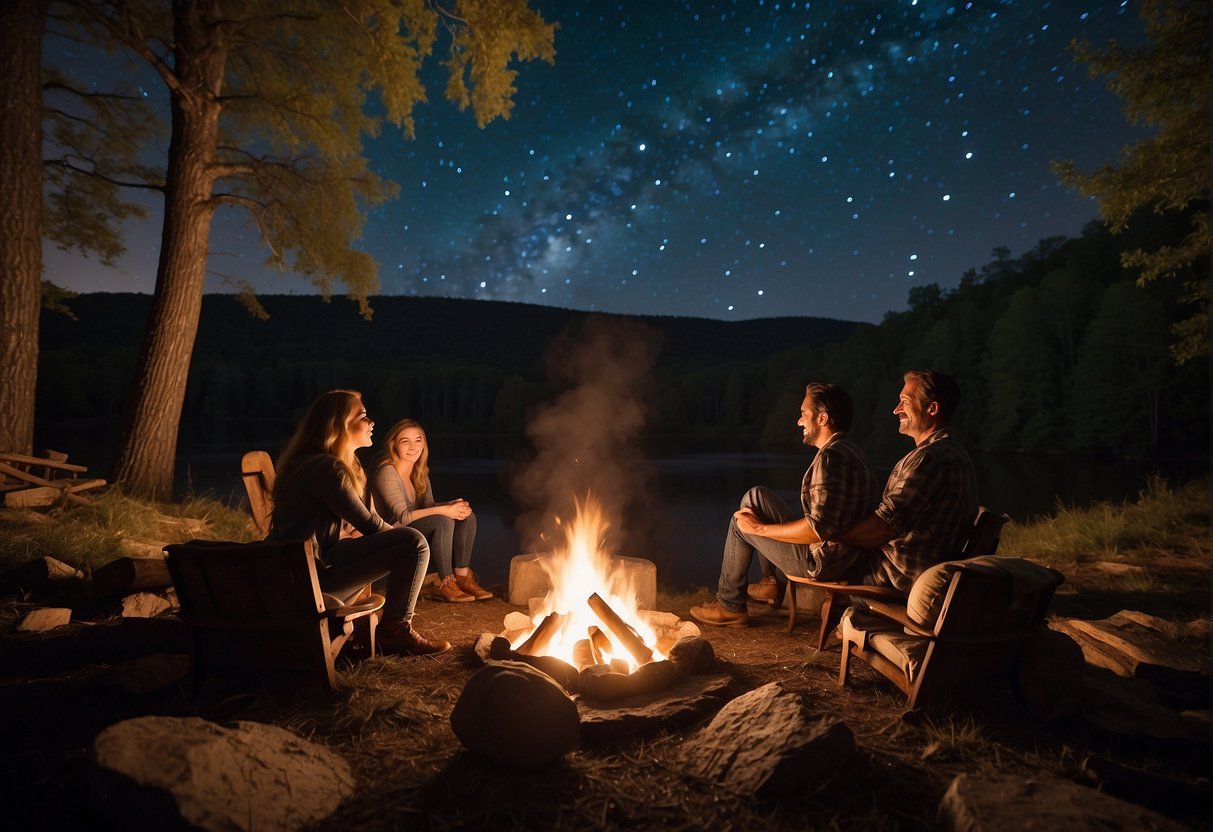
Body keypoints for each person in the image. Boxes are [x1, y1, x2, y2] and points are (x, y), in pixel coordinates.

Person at [268, 390, 451, 656]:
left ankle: (391, 628)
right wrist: (409, 550)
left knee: (406, 542)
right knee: (414, 544)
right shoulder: (327, 468)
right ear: (338, 425)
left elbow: (357, 524)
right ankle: (394, 631)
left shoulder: (312, 464)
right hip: (309, 584)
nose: (372, 422)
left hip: (297, 574)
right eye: (363, 416)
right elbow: (371, 525)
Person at [689, 383, 876, 627]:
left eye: (804, 414)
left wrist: (758, 529)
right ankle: (771, 583)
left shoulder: (830, 459)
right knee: (754, 497)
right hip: (841, 554)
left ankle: (730, 605)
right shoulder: (850, 450)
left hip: (822, 562)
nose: (799, 422)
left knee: (740, 523)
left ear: (822, 418)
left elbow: (817, 529)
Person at [832, 369, 979, 591]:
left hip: (896, 576)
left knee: (798, 549)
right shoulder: (953, 451)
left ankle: (770, 582)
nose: (896, 409)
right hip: (920, 570)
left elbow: (882, 528)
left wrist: (831, 536)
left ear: (932, 408)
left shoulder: (929, 459)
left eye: (904, 401)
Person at [370, 419, 492, 603]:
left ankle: (462, 575)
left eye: (418, 440)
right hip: (391, 533)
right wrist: (445, 510)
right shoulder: (387, 472)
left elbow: (427, 508)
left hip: (412, 527)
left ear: (424, 443)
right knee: (444, 520)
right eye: (405, 441)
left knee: (465, 515)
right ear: (393, 445)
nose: (413, 446)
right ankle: (444, 581)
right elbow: (403, 517)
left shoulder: (419, 472)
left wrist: (451, 505)